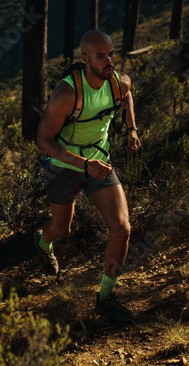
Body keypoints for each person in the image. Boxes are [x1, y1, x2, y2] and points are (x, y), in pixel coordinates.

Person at [33, 30, 142, 322]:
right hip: (64, 167)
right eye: (100, 56)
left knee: (122, 229)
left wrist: (132, 129)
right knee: (61, 229)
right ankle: (43, 243)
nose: (109, 61)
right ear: (84, 59)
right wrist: (82, 165)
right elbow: (43, 140)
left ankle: (105, 299)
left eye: (111, 54)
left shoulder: (119, 82)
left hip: (100, 163)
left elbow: (128, 96)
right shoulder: (67, 93)